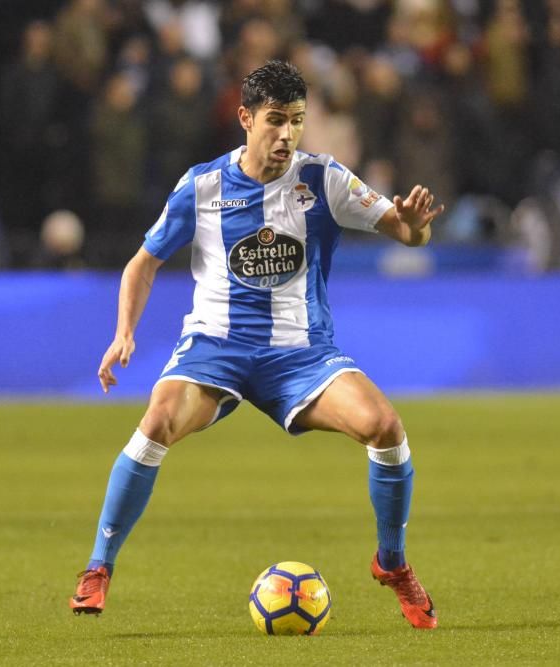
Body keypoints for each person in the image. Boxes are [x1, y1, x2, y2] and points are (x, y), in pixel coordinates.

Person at [69, 60, 444, 630]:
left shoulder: (325, 180)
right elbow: (143, 263)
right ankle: (99, 568)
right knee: (157, 421)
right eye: (275, 121)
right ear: (245, 118)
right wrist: (124, 333)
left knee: (385, 427)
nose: (288, 135)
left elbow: (407, 234)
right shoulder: (203, 186)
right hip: (215, 348)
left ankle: (390, 563)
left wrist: (416, 225)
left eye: (297, 121)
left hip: (302, 355)